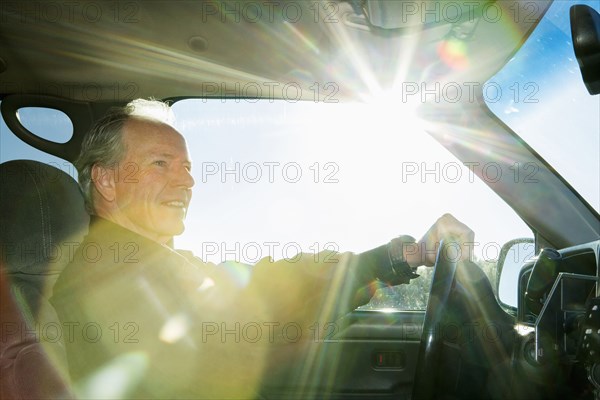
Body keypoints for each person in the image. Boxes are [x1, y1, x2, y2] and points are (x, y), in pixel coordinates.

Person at [50, 99, 474, 398]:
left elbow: (268, 289)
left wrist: (405, 257)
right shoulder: (106, 277)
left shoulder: (156, 264)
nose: (187, 182)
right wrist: (398, 259)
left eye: (187, 168)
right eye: (161, 164)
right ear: (105, 180)